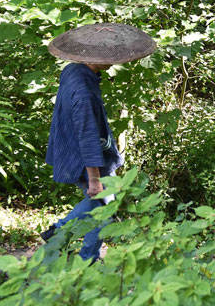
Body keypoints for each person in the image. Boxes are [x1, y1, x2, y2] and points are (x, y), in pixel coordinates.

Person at [41, 23, 156, 261]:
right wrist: (94, 178)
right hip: (87, 158)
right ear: (97, 57)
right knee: (104, 208)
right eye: (109, 57)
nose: (114, 61)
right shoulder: (83, 91)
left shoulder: (74, 70)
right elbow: (87, 133)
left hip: (80, 152)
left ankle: (69, 241)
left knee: (101, 207)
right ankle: (79, 249)